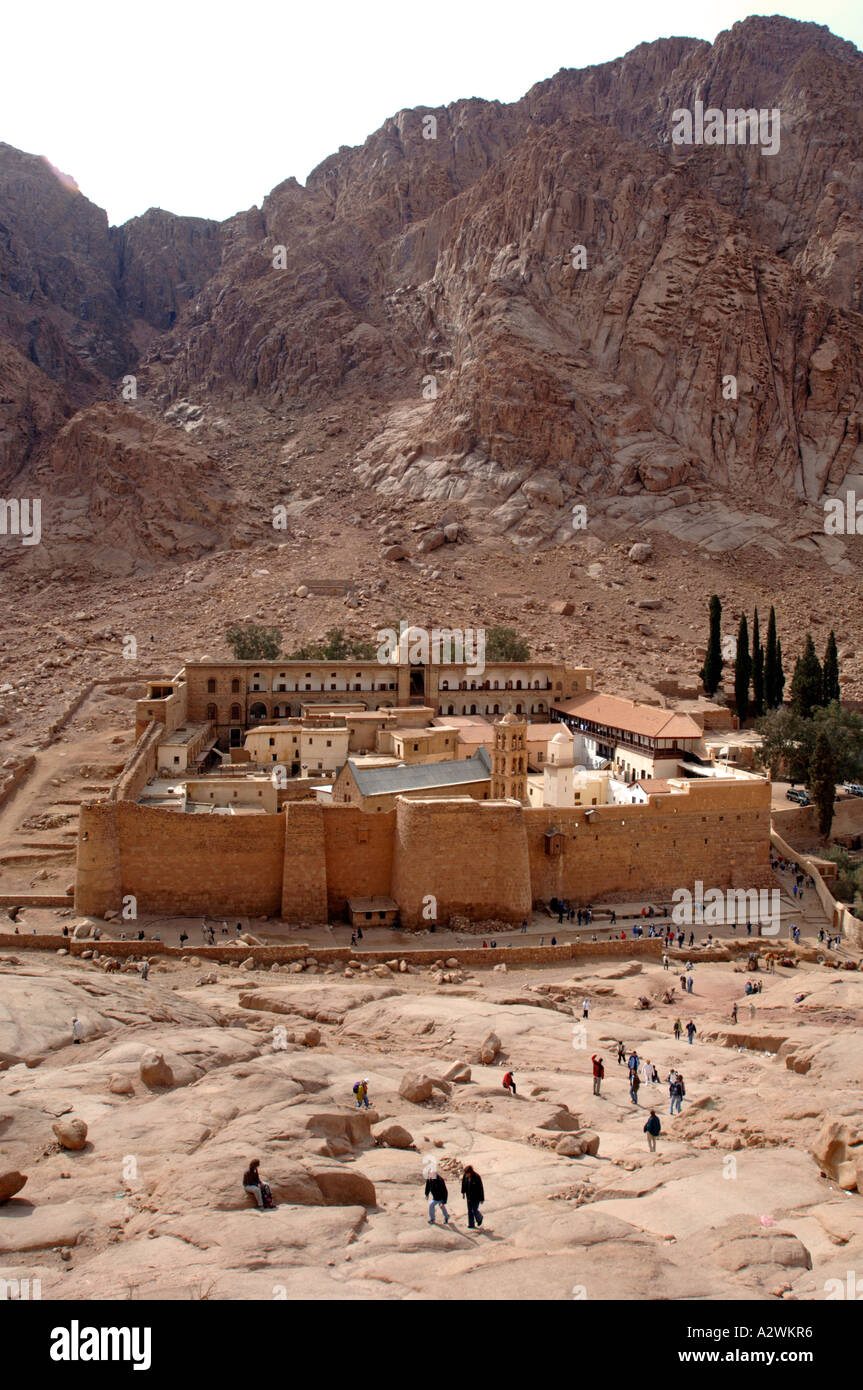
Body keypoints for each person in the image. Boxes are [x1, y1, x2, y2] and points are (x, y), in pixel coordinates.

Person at [461, 1165, 485, 1230]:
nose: (466, 1175)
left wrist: (482, 1199)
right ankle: (471, 1224)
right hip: (469, 1196)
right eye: (466, 1174)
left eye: (467, 1174)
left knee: (474, 1210)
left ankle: (479, 1218)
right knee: (469, 1211)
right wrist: (463, 1193)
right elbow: (463, 1184)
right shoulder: (465, 1176)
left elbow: (481, 1188)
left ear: (471, 1172)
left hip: (476, 1198)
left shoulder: (477, 1177)